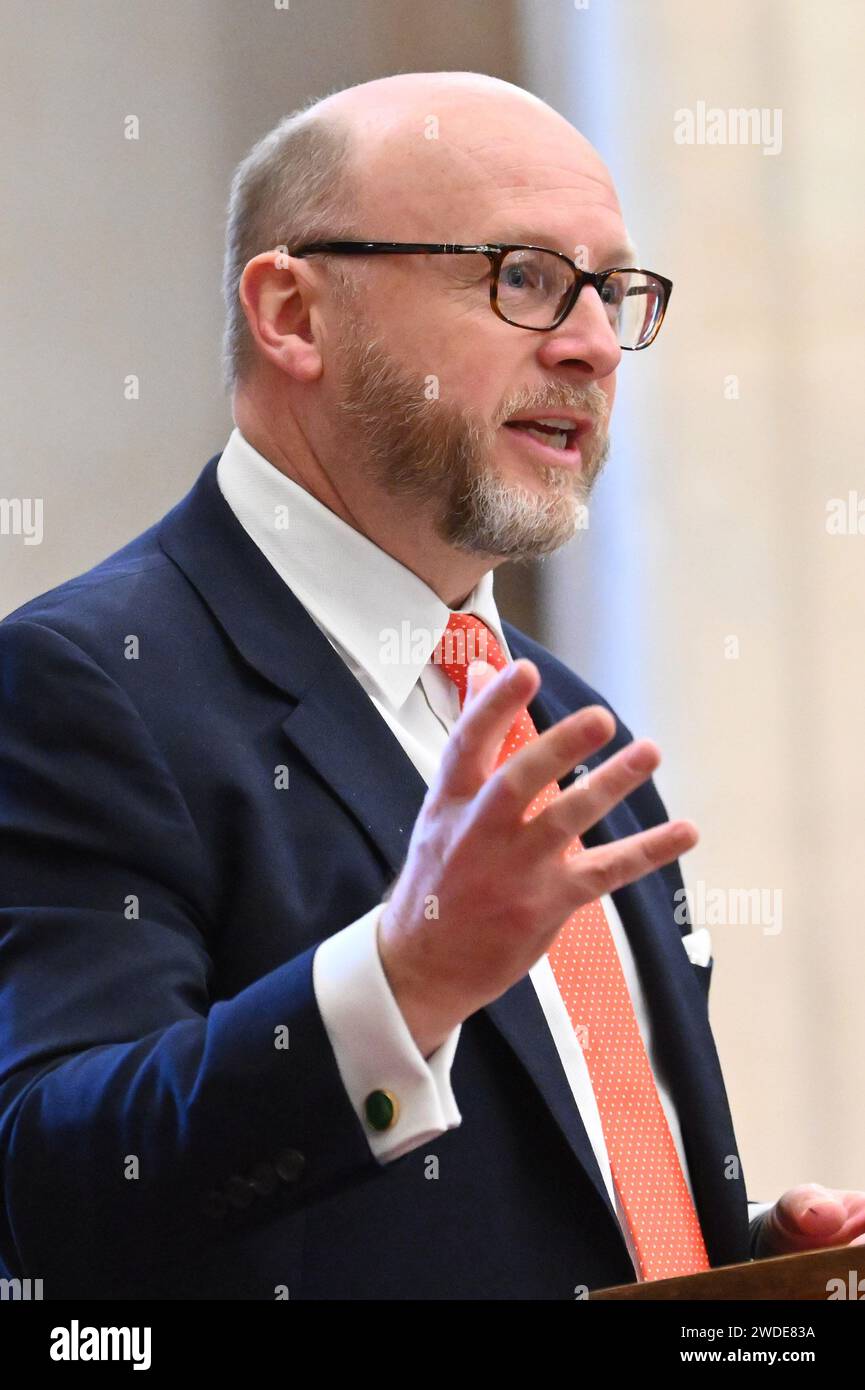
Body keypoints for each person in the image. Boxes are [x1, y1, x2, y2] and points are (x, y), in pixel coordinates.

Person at [0, 70, 861, 1300]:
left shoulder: (558, 714)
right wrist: (404, 979)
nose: (590, 343)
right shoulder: (87, 685)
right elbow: (47, 1189)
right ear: (294, 312)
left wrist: (741, 1268)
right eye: (520, 278)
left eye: (612, 290)